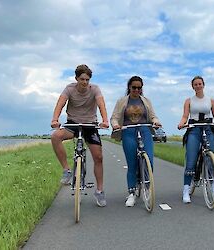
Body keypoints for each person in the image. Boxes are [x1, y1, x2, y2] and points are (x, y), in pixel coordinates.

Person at [50, 64, 109, 207]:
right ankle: (67, 170)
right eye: (82, 79)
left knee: (98, 157)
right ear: (76, 78)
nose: (85, 82)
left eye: (87, 79)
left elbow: (101, 104)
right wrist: (55, 119)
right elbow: (60, 104)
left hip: (90, 125)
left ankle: (99, 191)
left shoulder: (94, 89)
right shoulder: (69, 88)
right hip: (73, 124)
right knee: (55, 137)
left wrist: (105, 120)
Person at [111, 76, 162, 207]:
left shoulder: (146, 101)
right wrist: (116, 125)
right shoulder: (122, 101)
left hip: (145, 131)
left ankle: (146, 186)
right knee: (132, 164)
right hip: (128, 132)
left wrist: (155, 121)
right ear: (129, 87)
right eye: (134, 87)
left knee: (149, 161)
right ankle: (131, 193)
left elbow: (153, 115)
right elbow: (115, 117)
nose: (136, 90)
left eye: (139, 88)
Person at [177, 76, 214, 204]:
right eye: (195, 84)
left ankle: (213, 188)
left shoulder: (211, 100)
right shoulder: (189, 101)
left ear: (203, 85)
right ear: (193, 86)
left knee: (210, 159)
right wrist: (181, 124)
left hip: (208, 128)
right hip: (194, 129)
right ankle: (186, 189)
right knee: (191, 159)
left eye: (200, 84)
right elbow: (185, 116)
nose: (198, 86)